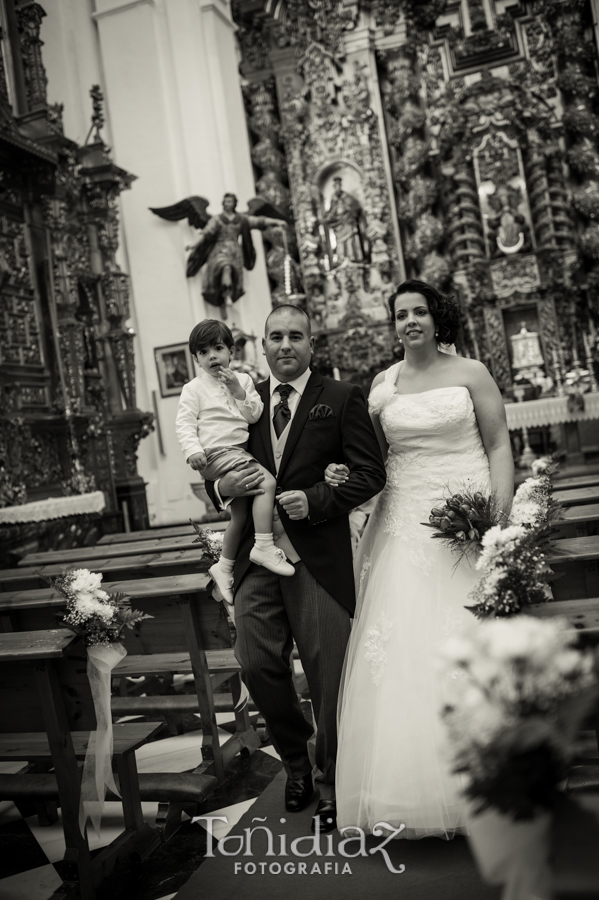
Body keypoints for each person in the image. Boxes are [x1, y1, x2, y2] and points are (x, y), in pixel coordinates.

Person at [332, 279, 513, 839]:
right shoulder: (383, 385)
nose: (409, 321)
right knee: (405, 648)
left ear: (437, 318)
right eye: (400, 314)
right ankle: (411, 789)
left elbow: (500, 442)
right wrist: (342, 477)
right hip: (405, 522)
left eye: (418, 312)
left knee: (468, 640)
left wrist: (499, 518)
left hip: (470, 514)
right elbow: (372, 461)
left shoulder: (472, 373)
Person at [203, 304, 386, 833]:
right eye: (275, 336)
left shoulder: (341, 397)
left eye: (296, 336)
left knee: (328, 673)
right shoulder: (243, 399)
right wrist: (221, 488)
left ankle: (330, 780)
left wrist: (319, 497)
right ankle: (296, 763)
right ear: (261, 345)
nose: (285, 345)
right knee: (255, 660)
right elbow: (216, 462)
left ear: (312, 344)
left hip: (318, 559)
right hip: (258, 558)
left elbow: (371, 472)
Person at [176, 320, 295, 614]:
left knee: (239, 517)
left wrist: (237, 390)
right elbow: (185, 424)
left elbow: (254, 415)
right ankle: (264, 546)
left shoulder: (242, 380)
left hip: (237, 452)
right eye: (204, 353)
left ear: (231, 351)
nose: (212, 357)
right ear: (196, 359)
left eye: (218, 349)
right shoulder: (193, 389)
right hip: (216, 453)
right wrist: (193, 451)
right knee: (266, 483)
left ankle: (224, 567)